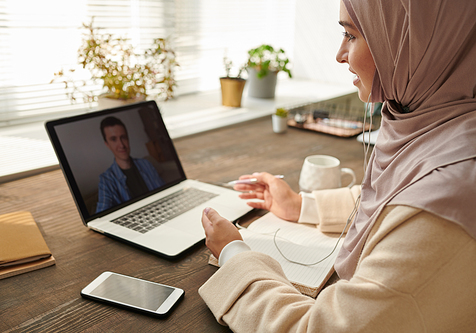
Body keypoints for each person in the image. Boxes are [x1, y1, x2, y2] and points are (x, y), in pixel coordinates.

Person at [199, 0, 476, 331]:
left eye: (352, 35)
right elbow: (397, 199)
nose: (340, 54)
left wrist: (234, 255)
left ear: (413, 41)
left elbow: (317, 328)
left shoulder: (452, 191)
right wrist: (301, 205)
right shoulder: (439, 123)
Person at [96, 116, 164, 213]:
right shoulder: (106, 180)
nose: (121, 145)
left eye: (123, 137)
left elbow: (164, 192)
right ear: (107, 144)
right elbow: (100, 217)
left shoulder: (146, 164)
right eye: (113, 139)